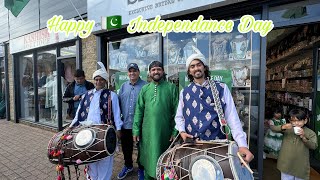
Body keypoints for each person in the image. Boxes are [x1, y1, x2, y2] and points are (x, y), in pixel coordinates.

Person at [175, 53, 254, 164]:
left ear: (204, 67)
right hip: (192, 147)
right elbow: (179, 117)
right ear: (189, 71)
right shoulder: (185, 92)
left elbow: (232, 117)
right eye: (192, 66)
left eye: (199, 65)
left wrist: (242, 145)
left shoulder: (221, 88)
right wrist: (182, 132)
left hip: (216, 146)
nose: (196, 68)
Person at [69, 62, 123, 180]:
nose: (98, 82)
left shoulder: (111, 95)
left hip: (105, 132)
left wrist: (118, 130)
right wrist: (71, 127)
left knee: (105, 161)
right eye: (96, 79)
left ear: (105, 81)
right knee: (90, 159)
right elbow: (78, 114)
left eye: (101, 80)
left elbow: (117, 114)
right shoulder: (87, 95)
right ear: (94, 80)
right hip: (88, 133)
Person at [132, 61, 178, 180]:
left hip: (165, 133)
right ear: (149, 73)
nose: (156, 72)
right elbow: (139, 111)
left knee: (165, 160)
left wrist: (175, 132)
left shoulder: (172, 88)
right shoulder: (145, 89)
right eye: (153, 70)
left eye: (158, 69)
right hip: (147, 133)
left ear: (163, 71)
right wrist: (136, 130)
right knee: (148, 159)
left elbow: (178, 112)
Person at [117, 63, 147, 180]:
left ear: (139, 72)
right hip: (126, 124)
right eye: (130, 71)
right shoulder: (123, 86)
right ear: (127, 73)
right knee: (126, 148)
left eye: (134, 71)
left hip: (141, 125)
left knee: (141, 148)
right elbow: (118, 105)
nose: (132, 73)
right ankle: (128, 165)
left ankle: (141, 168)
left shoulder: (145, 86)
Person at [275, 109, 317, 180]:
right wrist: (283, 127)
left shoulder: (310, 133)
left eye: (299, 120)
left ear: (305, 120)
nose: (296, 123)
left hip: (300, 165)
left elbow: (314, 146)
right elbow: (273, 129)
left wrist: (303, 137)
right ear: (290, 121)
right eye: (293, 121)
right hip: (286, 163)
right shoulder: (287, 129)